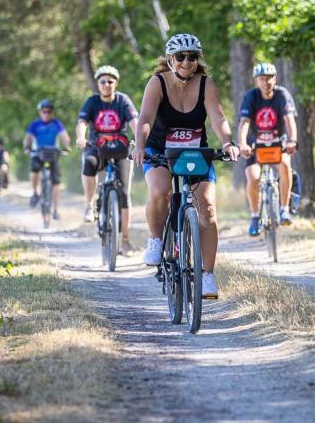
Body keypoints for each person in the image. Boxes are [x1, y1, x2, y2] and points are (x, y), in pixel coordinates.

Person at [133, 33, 240, 299]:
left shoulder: (206, 84)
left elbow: (218, 117)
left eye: (192, 57)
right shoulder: (157, 82)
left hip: (195, 152)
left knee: (209, 209)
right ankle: (156, 239)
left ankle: (207, 276)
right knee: (160, 191)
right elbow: (145, 118)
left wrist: (228, 143)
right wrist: (139, 144)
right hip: (160, 150)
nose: (187, 62)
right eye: (181, 56)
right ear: (170, 59)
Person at [76, 66, 139, 250]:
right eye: (102, 81)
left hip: (120, 147)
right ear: (98, 84)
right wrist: (81, 137)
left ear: (115, 83)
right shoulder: (93, 101)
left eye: (110, 81)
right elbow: (82, 122)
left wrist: (139, 140)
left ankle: (125, 240)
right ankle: (89, 205)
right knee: (88, 164)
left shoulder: (123, 100)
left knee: (125, 194)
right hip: (97, 146)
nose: (106, 85)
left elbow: (134, 121)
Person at [236, 62, 298, 236]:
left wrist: (292, 140)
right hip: (255, 145)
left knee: (285, 166)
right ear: (256, 81)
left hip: (279, 143)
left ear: (275, 78)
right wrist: (242, 144)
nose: (266, 82)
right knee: (254, 178)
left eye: (269, 78)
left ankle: (284, 209)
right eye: (262, 79)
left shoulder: (282, 94)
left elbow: (289, 120)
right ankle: (255, 216)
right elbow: (244, 123)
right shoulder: (251, 97)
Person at [24, 99, 71, 220]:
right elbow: (28, 138)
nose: (46, 114)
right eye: (44, 111)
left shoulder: (56, 123)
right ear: (40, 112)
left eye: (49, 111)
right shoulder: (34, 124)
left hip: (52, 153)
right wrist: (27, 147)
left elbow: (65, 137)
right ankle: (35, 192)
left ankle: (56, 209)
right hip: (37, 153)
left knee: (56, 182)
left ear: (52, 112)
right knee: (34, 171)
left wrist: (66, 146)